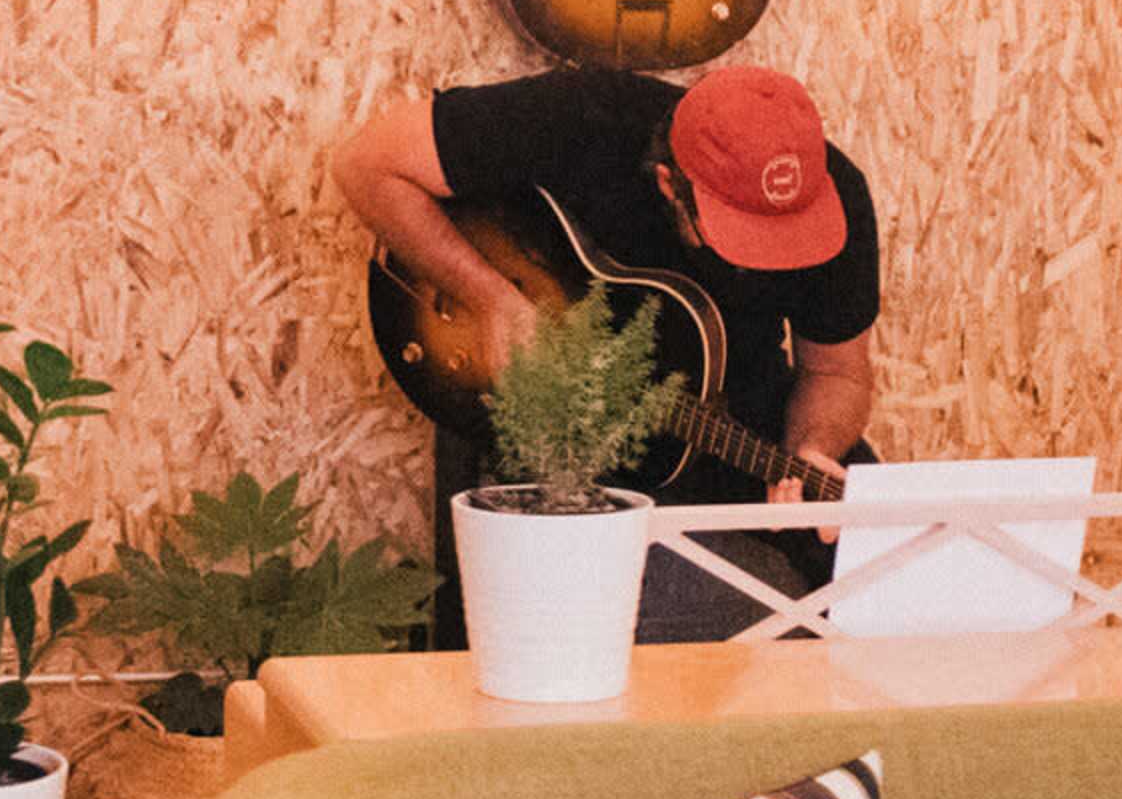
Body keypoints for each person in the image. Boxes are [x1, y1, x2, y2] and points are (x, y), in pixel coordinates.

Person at [331, 62, 878, 646]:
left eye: (784, 236)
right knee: (663, 619)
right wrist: (491, 299)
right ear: (671, 184)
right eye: (743, 234)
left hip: (741, 420)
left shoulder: (836, 202)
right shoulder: (583, 116)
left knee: (896, 576)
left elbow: (836, 371)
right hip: (567, 437)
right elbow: (366, 164)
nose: (762, 258)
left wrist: (813, 447)